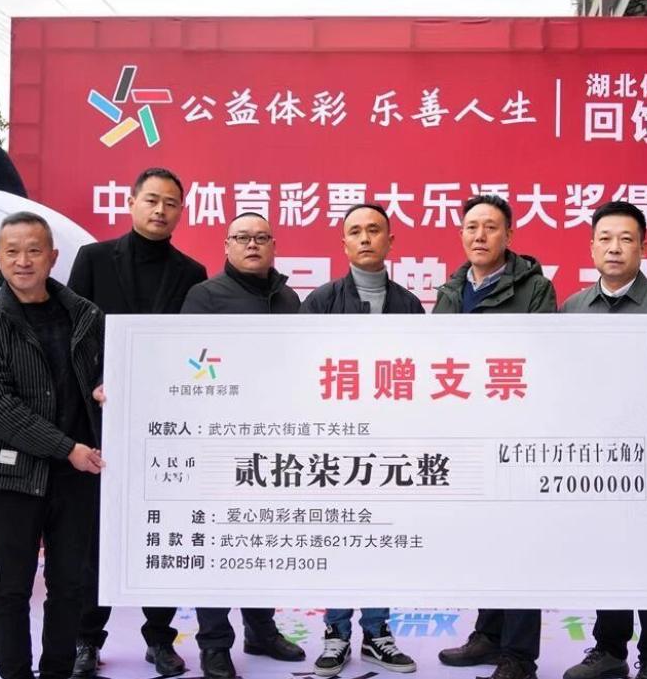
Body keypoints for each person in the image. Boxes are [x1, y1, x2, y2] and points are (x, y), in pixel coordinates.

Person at [67, 167, 206, 678]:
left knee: (161, 529)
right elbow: (72, 334)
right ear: (131, 202)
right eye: (151, 199)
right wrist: (93, 385)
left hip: (165, 420)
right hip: (99, 419)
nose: (160, 210)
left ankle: (159, 639)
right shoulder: (93, 259)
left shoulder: (192, 271)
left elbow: (193, 348)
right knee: (96, 535)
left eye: (171, 202)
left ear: (181, 211)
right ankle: (86, 639)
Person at [559, 201, 647, 679]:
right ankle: (609, 650)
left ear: (643, 247)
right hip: (595, 459)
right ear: (591, 247)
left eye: (626, 239)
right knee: (609, 553)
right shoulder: (573, 309)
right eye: (605, 238)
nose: (615, 248)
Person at [0, 212, 106, 679]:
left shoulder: (87, 316)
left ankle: (58, 671)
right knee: (11, 588)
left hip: (77, 477)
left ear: (53, 257)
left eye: (34, 250)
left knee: (69, 585)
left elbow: (107, 376)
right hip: (14, 477)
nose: (23, 261)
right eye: (13, 251)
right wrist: (66, 447)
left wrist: (108, 389)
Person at [433, 194, 555, 679]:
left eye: (490, 227)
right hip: (466, 433)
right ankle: (488, 634)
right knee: (485, 538)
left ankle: (519, 655)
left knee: (521, 543)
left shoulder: (536, 289)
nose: (479, 235)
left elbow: (541, 355)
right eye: (471, 227)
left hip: (515, 431)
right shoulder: (450, 290)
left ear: (509, 235)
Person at [181, 212, 305, 678]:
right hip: (219, 438)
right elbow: (190, 364)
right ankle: (214, 643)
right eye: (242, 237)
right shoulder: (205, 296)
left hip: (275, 438)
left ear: (273, 245)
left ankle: (261, 629)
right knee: (217, 543)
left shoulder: (288, 298)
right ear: (226, 246)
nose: (252, 245)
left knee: (262, 539)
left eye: (261, 238)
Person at [301, 203, 420, 676]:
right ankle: (335, 633)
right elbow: (301, 371)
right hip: (335, 443)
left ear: (391, 241)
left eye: (374, 230)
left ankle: (376, 633)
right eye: (356, 231)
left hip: (390, 443)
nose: (366, 238)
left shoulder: (409, 305)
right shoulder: (321, 301)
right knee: (339, 535)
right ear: (344, 243)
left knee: (380, 538)